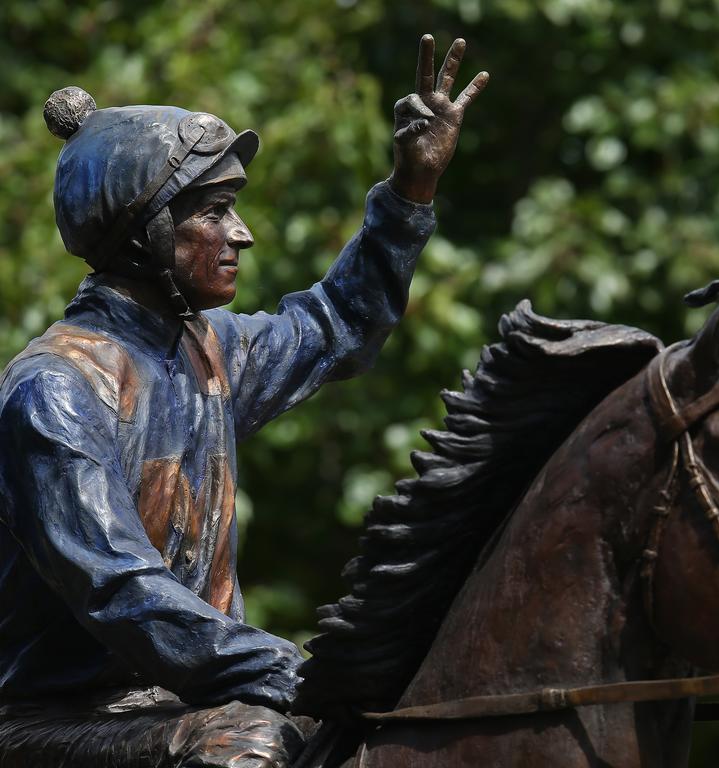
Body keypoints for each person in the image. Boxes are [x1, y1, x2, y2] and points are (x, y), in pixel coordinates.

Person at [0, 35, 487, 768]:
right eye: (215, 212)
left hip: (189, 699)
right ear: (144, 232)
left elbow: (338, 326)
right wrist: (298, 673)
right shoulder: (56, 390)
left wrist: (409, 189)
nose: (242, 234)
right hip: (57, 723)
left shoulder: (211, 350)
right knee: (246, 748)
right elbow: (120, 588)